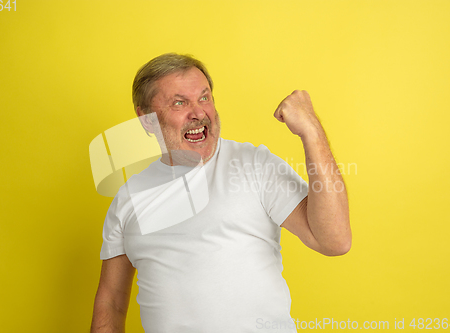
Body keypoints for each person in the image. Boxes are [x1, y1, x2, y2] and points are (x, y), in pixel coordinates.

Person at [90, 53, 351, 333]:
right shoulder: (128, 198)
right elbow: (112, 302)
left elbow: (335, 241)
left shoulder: (254, 164)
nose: (199, 113)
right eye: (180, 102)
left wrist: (311, 131)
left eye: (204, 97)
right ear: (147, 120)